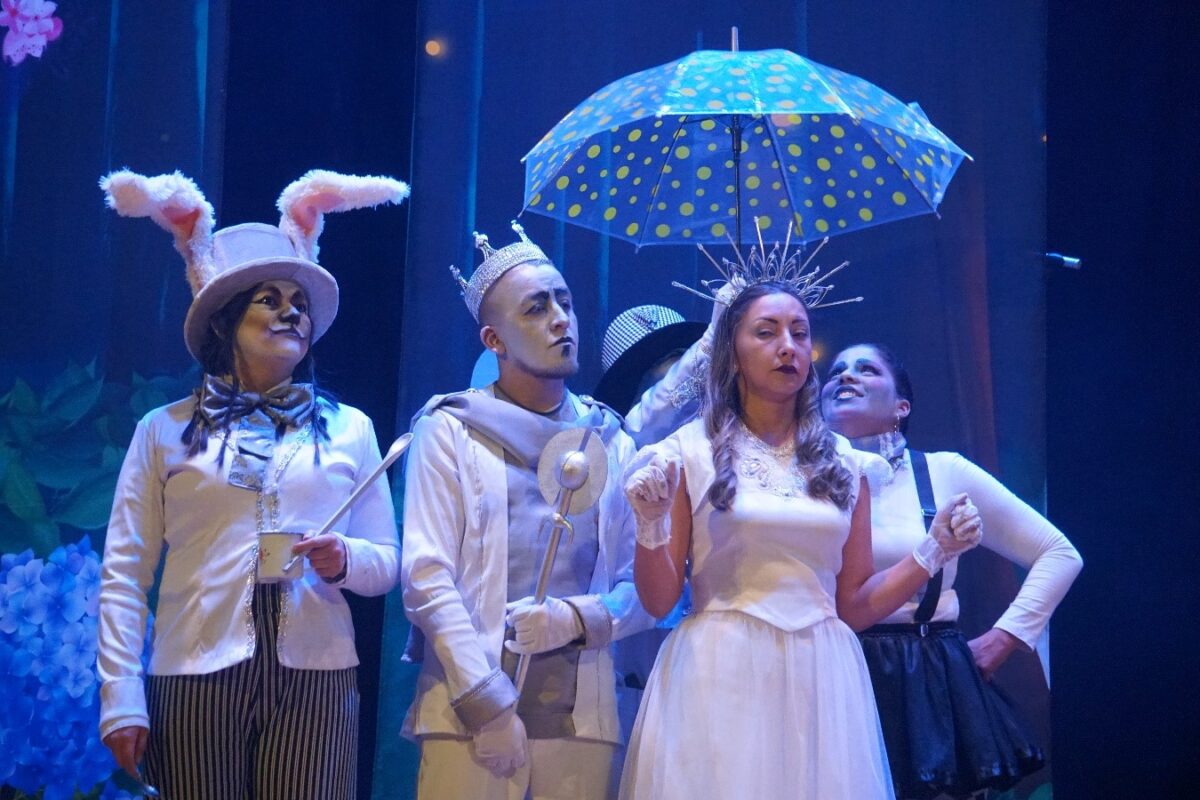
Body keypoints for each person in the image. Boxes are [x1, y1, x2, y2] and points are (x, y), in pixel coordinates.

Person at [96, 168, 409, 799]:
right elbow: (126, 572)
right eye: (270, 299)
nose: (292, 311)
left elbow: (386, 564)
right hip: (194, 673)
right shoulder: (163, 430)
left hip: (317, 677)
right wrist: (121, 697)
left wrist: (344, 558)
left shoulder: (351, 428)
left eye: (299, 303)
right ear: (224, 321)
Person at [619, 278, 983, 800]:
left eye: (799, 332)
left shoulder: (846, 462)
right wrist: (651, 524)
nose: (787, 346)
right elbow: (658, 601)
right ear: (733, 353)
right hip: (721, 669)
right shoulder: (687, 452)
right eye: (766, 332)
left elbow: (852, 606)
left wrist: (933, 550)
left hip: (822, 672)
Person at [400, 222, 656, 800]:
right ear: (494, 339)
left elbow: (641, 586)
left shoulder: (607, 440)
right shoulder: (450, 429)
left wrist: (578, 618)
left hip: (581, 717)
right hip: (467, 715)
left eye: (565, 302)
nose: (561, 320)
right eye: (537, 309)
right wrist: (488, 706)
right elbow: (426, 576)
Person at [821, 343, 1083, 799]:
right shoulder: (797, 483)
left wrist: (1005, 638)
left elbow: (1059, 553)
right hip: (831, 665)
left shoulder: (943, 472)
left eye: (867, 369)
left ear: (902, 407)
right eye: (837, 370)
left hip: (925, 676)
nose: (846, 376)